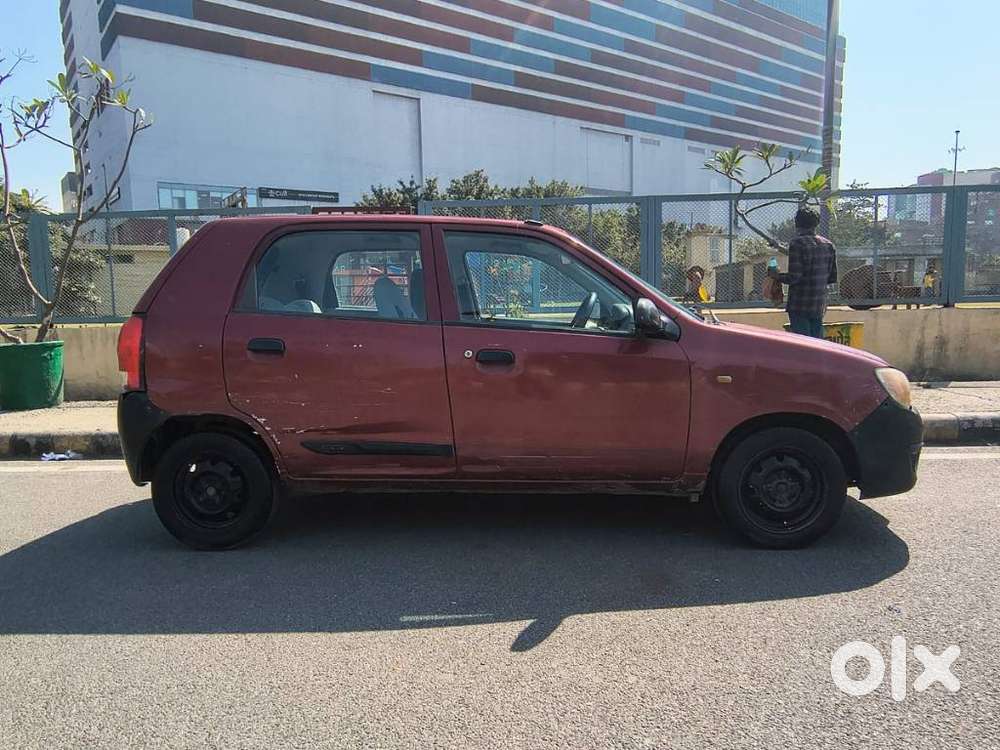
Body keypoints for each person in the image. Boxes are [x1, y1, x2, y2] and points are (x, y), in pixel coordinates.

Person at [767, 207, 837, 338]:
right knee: (817, 344)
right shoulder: (828, 245)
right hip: (818, 303)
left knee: (803, 343)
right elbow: (832, 277)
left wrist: (776, 276)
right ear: (816, 223)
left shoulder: (797, 244)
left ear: (797, 224)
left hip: (800, 304)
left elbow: (795, 277)